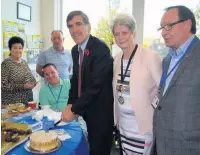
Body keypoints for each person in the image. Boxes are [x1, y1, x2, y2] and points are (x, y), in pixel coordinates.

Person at [61, 11, 114, 155]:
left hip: (100, 113)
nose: (74, 30)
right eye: (70, 26)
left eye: (78, 24)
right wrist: (70, 104)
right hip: (85, 109)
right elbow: (76, 79)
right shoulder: (74, 50)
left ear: (88, 27)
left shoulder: (100, 48)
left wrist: (74, 109)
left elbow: (95, 86)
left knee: (98, 150)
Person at [151, 5, 200, 155]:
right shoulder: (168, 58)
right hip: (162, 142)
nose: (164, 33)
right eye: (162, 28)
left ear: (187, 24)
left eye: (169, 26)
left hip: (190, 146)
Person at [110, 14, 162, 155]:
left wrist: (152, 107)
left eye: (124, 32)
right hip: (123, 126)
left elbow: (162, 91)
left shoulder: (150, 57)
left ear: (134, 33)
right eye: (116, 34)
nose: (120, 37)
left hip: (142, 128)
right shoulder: (116, 60)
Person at [40, 63, 88, 137]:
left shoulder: (69, 83)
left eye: (52, 72)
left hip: (74, 117)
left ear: (57, 71)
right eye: (47, 74)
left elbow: (79, 102)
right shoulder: (43, 91)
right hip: (55, 121)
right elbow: (46, 111)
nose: (50, 76)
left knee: (82, 134)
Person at [1, 36, 37, 105]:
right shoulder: (5, 64)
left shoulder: (24, 62)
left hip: (27, 101)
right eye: (15, 48)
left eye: (20, 48)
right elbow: (3, 86)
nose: (18, 50)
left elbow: (30, 77)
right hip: (12, 103)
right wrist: (23, 86)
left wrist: (33, 82)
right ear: (10, 49)